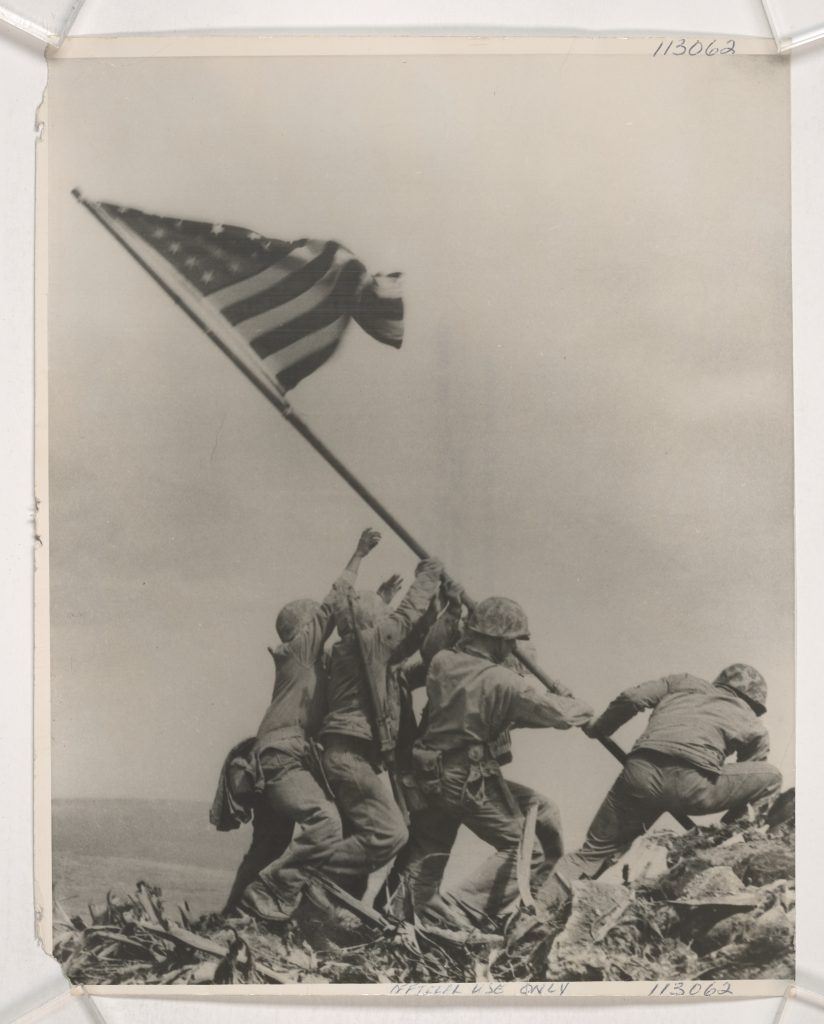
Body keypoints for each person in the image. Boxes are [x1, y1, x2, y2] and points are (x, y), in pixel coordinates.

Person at [537, 663, 783, 912]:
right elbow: (749, 780)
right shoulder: (753, 723)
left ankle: (536, 909)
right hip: (693, 786)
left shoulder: (683, 682)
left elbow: (632, 698)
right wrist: (728, 828)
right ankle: (728, 839)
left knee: (591, 853)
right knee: (772, 776)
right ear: (754, 701)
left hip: (639, 775)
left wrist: (601, 728)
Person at [408, 596, 594, 924]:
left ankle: (411, 913)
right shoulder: (504, 682)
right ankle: (458, 911)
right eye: (510, 643)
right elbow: (561, 715)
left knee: (432, 850)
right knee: (526, 849)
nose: (512, 650)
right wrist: (574, 702)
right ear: (496, 639)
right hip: (467, 776)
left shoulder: (443, 661)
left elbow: (490, 709)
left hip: (432, 772)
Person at [239, 528, 382, 922]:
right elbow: (333, 602)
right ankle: (272, 891)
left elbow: (354, 632)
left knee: (269, 844)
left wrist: (380, 602)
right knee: (326, 821)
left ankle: (237, 914)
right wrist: (358, 554)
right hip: (282, 758)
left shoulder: (314, 665)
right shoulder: (300, 652)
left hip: (284, 759)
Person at [314, 557, 446, 897]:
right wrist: (429, 576)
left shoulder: (356, 650)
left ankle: (328, 900)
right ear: (371, 624)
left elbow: (411, 635)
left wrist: (443, 605)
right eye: (381, 617)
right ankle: (305, 874)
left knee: (370, 834)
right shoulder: (367, 644)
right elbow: (404, 620)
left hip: (349, 756)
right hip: (349, 757)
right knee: (391, 833)